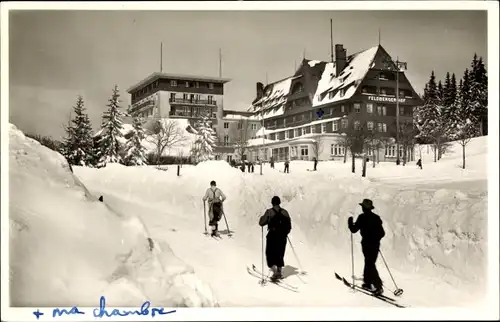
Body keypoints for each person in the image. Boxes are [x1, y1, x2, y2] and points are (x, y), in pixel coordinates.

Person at [348, 199, 386, 295]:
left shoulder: (362, 217)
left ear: (364, 208)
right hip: (375, 245)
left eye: (362, 207)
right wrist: (375, 239)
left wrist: (350, 223)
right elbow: (382, 233)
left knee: (370, 264)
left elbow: (353, 230)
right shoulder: (376, 218)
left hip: (366, 244)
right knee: (369, 262)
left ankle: (378, 286)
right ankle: (368, 282)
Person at [259, 196, 292, 281]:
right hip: (282, 236)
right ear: (279, 202)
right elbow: (289, 226)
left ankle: (274, 271)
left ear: (272, 203)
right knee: (280, 252)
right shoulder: (285, 212)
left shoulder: (269, 212)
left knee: (270, 253)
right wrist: (285, 233)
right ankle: (279, 271)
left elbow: (261, 223)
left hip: (272, 236)